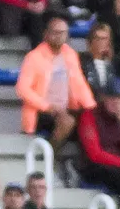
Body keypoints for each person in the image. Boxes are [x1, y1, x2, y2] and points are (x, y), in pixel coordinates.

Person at [16, 13, 92, 149]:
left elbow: (80, 84)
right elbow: (22, 89)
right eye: (55, 32)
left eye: (63, 32)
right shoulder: (34, 57)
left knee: (93, 122)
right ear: (46, 34)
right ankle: (48, 159)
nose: (59, 36)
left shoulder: (71, 54)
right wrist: (48, 106)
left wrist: (91, 108)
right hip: (42, 111)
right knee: (67, 121)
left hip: (67, 108)